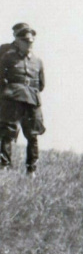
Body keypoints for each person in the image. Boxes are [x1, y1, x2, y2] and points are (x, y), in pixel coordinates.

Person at [0, 23, 45, 176]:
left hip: (32, 100)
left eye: (31, 41)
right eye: (25, 41)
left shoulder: (38, 61)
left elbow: (41, 84)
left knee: (33, 134)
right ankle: (4, 166)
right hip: (12, 99)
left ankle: (31, 169)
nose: (29, 44)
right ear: (17, 41)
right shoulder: (7, 57)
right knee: (8, 132)